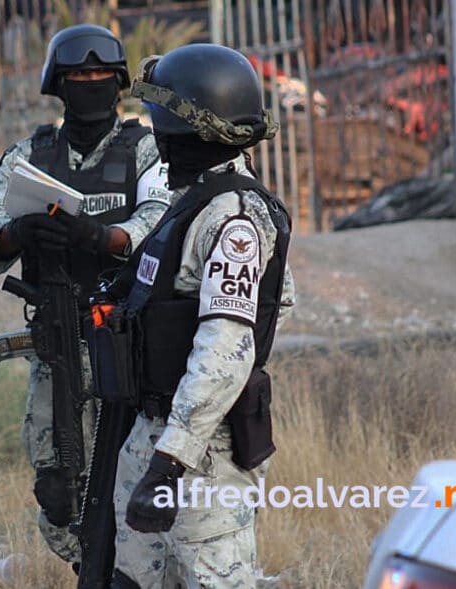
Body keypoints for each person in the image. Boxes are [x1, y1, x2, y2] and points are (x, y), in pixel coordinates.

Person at [0, 24, 171, 568]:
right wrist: (22, 233)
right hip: (55, 342)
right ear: (58, 85)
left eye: (100, 75)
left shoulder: (147, 149)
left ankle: (129, 570)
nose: (89, 83)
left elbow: (157, 222)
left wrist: (101, 237)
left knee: (129, 475)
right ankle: (92, 566)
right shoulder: (29, 154)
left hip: (125, 339)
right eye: (78, 75)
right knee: (59, 494)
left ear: (117, 83)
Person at [104, 44, 296, 587]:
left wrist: (168, 467)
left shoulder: (234, 218)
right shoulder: (191, 199)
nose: (157, 136)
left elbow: (226, 351)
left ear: (198, 130)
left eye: (165, 123)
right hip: (155, 433)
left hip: (200, 458)